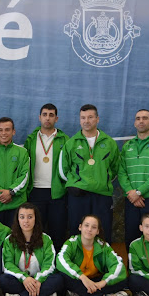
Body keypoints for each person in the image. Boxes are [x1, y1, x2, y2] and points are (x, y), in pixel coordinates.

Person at [59, 104, 119, 243]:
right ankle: (76, 258)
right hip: (78, 195)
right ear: (80, 120)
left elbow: (115, 168)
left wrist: (102, 181)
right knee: (76, 231)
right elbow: (63, 170)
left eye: (90, 117)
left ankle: (102, 257)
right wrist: (75, 183)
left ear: (97, 119)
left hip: (102, 195)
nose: (86, 121)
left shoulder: (109, 143)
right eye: (83, 118)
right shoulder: (71, 143)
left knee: (103, 232)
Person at [118, 109, 149, 250]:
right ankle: (132, 265)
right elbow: (121, 172)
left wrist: (138, 192)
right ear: (135, 123)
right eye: (138, 118)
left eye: (145, 118)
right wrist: (131, 192)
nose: (141, 121)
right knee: (131, 238)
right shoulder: (128, 146)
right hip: (131, 200)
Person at [24, 103, 69, 251]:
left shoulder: (65, 140)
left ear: (56, 118)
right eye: (44, 115)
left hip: (57, 192)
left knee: (58, 232)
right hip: (35, 191)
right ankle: (38, 262)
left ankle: (58, 263)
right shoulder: (31, 139)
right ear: (39, 117)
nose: (47, 118)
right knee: (36, 232)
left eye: (51, 115)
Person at [0, 203, 63, 296]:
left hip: (40, 281)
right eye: (22, 217)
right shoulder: (10, 240)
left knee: (58, 279)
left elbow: (49, 264)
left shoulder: (46, 239)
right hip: (20, 280)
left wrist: (37, 280)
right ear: (18, 219)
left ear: (35, 219)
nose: (26, 221)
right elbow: (7, 264)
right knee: (3, 280)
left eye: (30, 217)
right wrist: (25, 278)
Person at [56, 215, 128, 296]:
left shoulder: (103, 246)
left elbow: (118, 265)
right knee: (60, 278)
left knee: (122, 280)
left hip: (95, 281)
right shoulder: (71, 243)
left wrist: (102, 282)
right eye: (86, 225)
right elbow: (60, 259)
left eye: (94, 227)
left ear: (97, 231)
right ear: (80, 227)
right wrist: (82, 277)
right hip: (78, 280)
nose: (89, 229)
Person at [0, 117, 30, 226]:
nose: (4, 133)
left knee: (16, 236)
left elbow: (25, 176)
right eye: (1, 130)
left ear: (13, 132)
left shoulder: (22, 152)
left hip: (17, 205)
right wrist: (1, 195)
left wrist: (11, 192)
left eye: (7, 130)